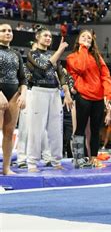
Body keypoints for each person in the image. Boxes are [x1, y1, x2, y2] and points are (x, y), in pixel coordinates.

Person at [26, 26, 73, 172]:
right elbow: (43, 68)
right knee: (36, 129)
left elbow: (61, 75)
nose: (48, 38)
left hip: (54, 93)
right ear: (37, 37)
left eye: (50, 37)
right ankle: (32, 162)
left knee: (55, 129)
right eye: (45, 35)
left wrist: (68, 94)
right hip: (39, 91)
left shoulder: (54, 55)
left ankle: (56, 161)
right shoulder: (31, 54)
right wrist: (59, 51)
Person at [66, 29, 111, 168]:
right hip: (83, 96)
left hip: (98, 97)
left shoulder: (98, 57)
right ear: (78, 40)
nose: (87, 38)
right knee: (80, 128)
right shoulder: (72, 57)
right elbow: (81, 67)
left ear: (93, 41)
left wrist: (108, 95)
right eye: (83, 36)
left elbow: (106, 76)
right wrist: (83, 49)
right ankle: (78, 159)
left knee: (95, 130)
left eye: (89, 37)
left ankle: (93, 158)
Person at [0, 23, 27, 175]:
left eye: (9, 30)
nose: (7, 33)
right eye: (3, 30)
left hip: (13, 94)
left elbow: (22, 78)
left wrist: (23, 94)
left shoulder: (16, 54)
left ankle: (6, 168)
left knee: (9, 133)